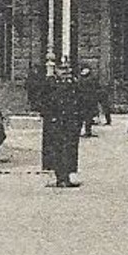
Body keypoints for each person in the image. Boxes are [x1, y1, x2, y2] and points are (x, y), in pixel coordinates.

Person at [38, 59, 82, 188]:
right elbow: (42, 101)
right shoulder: (50, 84)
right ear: (56, 70)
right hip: (55, 123)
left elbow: (79, 101)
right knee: (58, 149)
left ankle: (66, 176)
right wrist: (49, 116)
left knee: (70, 149)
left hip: (70, 122)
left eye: (67, 69)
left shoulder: (73, 83)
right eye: (62, 69)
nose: (66, 71)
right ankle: (61, 178)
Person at [76, 66, 99, 137]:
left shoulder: (80, 80)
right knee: (88, 117)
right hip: (88, 100)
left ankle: (82, 131)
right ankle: (87, 131)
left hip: (84, 100)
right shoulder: (91, 79)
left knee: (83, 117)